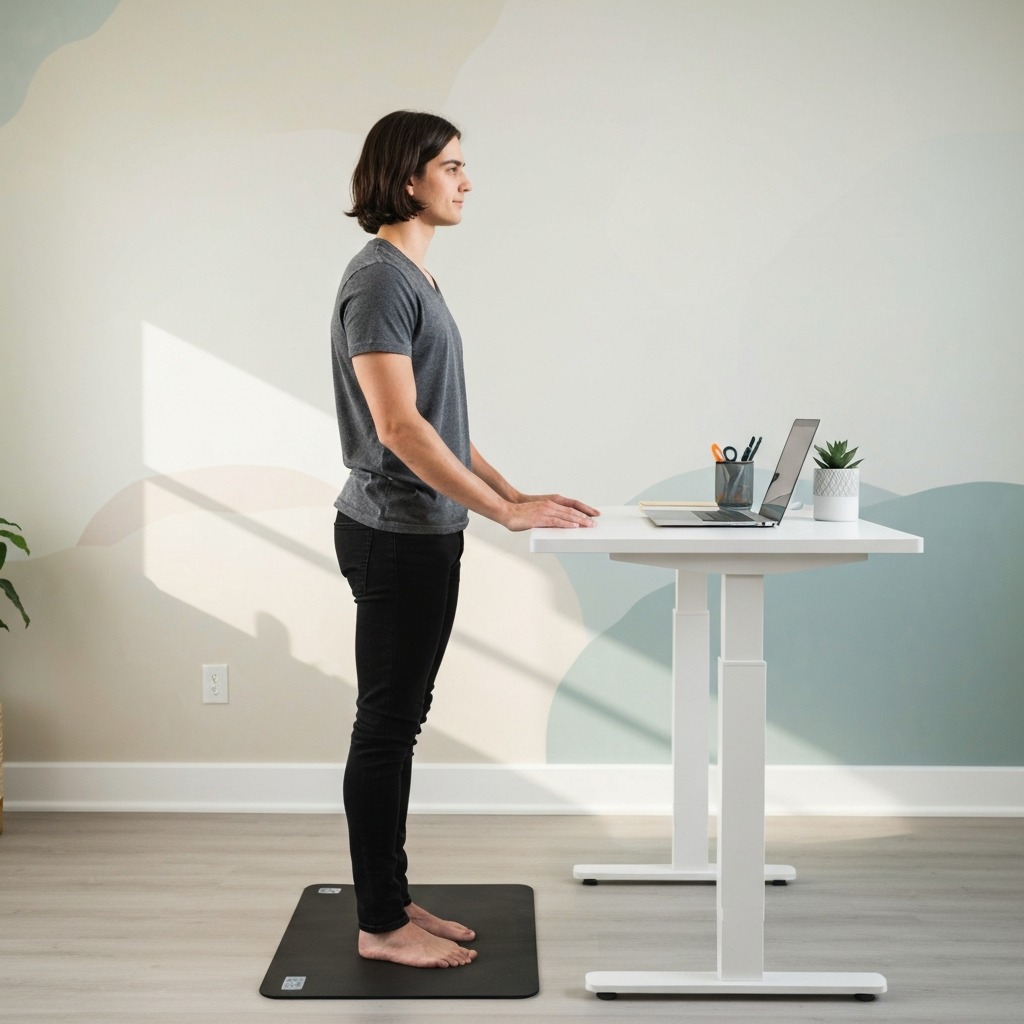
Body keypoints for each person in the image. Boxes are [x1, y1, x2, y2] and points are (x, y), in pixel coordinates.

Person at [330, 110, 598, 970]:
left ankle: (392, 896)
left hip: (422, 530)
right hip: (394, 534)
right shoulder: (379, 281)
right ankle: (379, 927)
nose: (466, 181)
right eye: (451, 166)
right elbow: (402, 429)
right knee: (386, 726)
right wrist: (502, 513)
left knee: (398, 723)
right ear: (408, 179)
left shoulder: (413, 277)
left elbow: (442, 419)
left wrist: (513, 491)